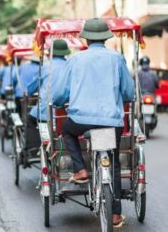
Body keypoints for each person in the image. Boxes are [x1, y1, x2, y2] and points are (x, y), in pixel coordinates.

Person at [53, 18, 134, 228]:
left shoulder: (75, 60)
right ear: (105, 38)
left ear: (86, 38)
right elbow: (128, 91)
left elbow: (61, 93)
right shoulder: (117, 58)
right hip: (110, 122)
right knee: (113, 163)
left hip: (80, 120)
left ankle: (80, 170)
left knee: (67, 131)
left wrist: (58, 102)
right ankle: (115, 215)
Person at [27, 39, 71, 156]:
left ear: (50, 52)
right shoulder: (70, 65)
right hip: (66, 113)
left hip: (45, 112)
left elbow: (31, 88)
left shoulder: (45, 67)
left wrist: (29, 92)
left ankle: (33, 149)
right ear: (65, 52)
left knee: (31, 120)